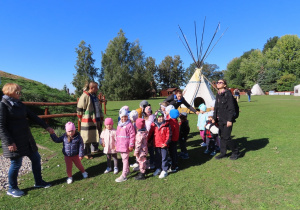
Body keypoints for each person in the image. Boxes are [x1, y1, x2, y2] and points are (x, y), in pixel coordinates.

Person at [0, 83, 54, 197]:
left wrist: (46, 126)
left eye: (20, 91)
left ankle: (38, 182)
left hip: (26, 139)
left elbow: (33, 116)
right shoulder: (3, 105)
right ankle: (12, 188)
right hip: (13, 140)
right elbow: (1, 126)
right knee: (16, 163)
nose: (20, 94)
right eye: (18, 92)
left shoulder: (20, 104)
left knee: (36, 158)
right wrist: (9, 142)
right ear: (10, 92)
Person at [77, 82, 104, 159]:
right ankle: (86, 153)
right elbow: (79, 109)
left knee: (96, 133)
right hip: (88, 120)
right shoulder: (84, 96)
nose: (97, 89)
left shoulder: (94, 96)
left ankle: (95, 149)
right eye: (96, 87)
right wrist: (81, 118)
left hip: (97, 118)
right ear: (91, 88)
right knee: (87, 137)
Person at [214, 79, 239, 160]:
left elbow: (231, 108)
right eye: (217, 82)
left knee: (227, 137)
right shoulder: (218, 94)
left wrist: (230, 120)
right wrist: (214, 118)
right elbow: (216, 107)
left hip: (227, 119)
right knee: (222, 136)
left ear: (224, 85)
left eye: (220, 82)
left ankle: (236, 151)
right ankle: (223, 153)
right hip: (220, 119)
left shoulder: (228, 94)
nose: (218, 83)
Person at [148, 110, 172, 179]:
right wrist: (148, 141)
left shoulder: (167, 125)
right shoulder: (153, 125)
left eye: (162, 117)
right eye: (159, 117)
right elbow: (150, 134)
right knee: (158, 157)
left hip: (163, 145)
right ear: (156, 117)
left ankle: (164, 170)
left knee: (164, 157)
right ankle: (158, 168)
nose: (161, 118)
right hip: (156, 144)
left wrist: (166, 143)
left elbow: (169, 135)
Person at [115, 109, 135, 182]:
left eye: (125, 117)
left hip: (126, 145)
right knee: (124, 159)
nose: (124, 118)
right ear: (120, 117)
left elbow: (132, 135)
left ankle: (124, 175)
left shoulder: (129, 125)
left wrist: (131, 145)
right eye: (122, 117)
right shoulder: (119, 124)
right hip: (120, 145)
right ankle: (128, 170)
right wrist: (116, 144)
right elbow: (117, 135)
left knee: (125, 159)